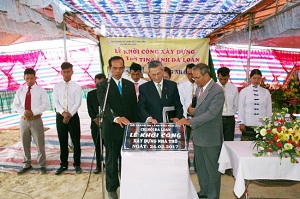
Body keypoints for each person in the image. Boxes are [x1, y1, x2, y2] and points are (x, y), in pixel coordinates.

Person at [176, 63, 224, 199]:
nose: (195, 80)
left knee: (212, 169)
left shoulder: (217, 91)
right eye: (193, 77)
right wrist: (191, 110)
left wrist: (190, 120)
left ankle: (213, 196)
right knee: (201, 168)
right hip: (198, 135)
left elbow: (211, 114)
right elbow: (196, 108)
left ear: (206, 75)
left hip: (210, 137)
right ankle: (204, 192)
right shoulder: (199, 89)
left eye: (197, 78)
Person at [97, 56, 138, 199]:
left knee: (127, 160)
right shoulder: (103, 85)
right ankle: (112, 188)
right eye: (114, 68)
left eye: (121, 68)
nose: (118, 71)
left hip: (128, 130)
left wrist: (135, 126)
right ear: (109, 69)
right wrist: (115, 118)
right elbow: (104, 105)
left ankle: (128, 185)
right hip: (111, 129)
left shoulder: (129, 84)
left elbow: (133, 107)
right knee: (111, 161)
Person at [12, 68, 50, 175]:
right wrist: (23, 112)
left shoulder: (40, 90)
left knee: (39, 142)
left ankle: (42, 165)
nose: (29, 80)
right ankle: (26, 163)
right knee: (24, 142)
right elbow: (15, 104)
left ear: (35, 78)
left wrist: (33, 112)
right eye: (27, 78)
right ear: (24, 78)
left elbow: (46, 104)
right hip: (24, 120)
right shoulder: (20, 91)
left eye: (31, 78)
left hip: (36, 119)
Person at [53, 62, 83, 175]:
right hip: (60, 117)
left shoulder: (76, 86)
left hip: (73, 117)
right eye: (64, 72)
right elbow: (55, 101)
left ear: (72, 72)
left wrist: (69, 114)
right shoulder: (57, 86)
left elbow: (78, 102)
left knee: (76, 141)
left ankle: (77, 164)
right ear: (61, 72)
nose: (66, 74)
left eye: (68, 71)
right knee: (63, 141)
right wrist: (63, 113)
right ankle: (64, 164)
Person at [237, 69, 272, 141]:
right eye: (254, 78)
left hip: (261, 126)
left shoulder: (266, 92)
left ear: (261, 78)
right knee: (245, 147)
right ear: (250, 78)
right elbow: (240, 108)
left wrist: (269, 123)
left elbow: (268, 109)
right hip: (248, 124)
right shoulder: (244, 91)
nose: (256, 80)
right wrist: (241, 122)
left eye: (258, 78)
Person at [86, 73, 106, 174]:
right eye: (97, 83)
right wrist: (95, 119)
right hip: (95, 125)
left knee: (109, 146)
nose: (99, 85)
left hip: (108, 124)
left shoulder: (109, 94)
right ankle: (99, 165)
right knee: (98, 146)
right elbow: (90, 109)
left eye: (101, 83)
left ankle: (113, 164)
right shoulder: (90, 94)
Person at [217, 67, 238, 141]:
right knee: (216, 141)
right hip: (217, 118)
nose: (222, 81)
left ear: (228, 77)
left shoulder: (233, 88)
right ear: (217, 76)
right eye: (220, 79)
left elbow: (236, 105)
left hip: (229, 119)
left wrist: (230, 112)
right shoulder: (213, 88)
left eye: (225, 79)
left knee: (229, 142)